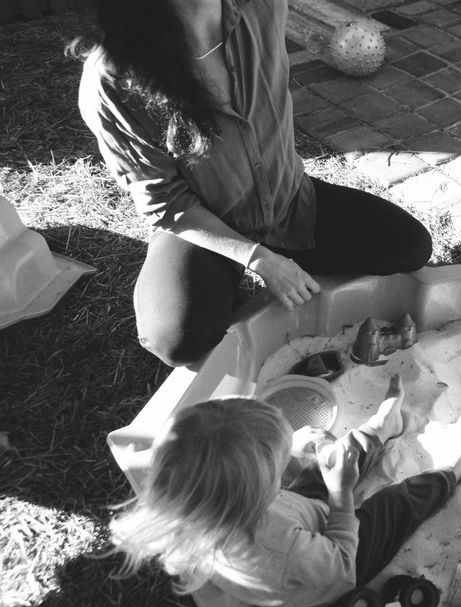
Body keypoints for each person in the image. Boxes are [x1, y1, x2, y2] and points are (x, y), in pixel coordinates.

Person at [72, 0, 431, 367]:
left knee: (410, 247)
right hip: (204, 224)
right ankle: (239, 269)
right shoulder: (113, 78)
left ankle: (287, 252)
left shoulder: (262, 8)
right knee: (176, 339)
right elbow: (166, 202)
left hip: (289, 200)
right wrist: (258, 258)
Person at [109, 375, 461, 607]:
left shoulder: (196, 503)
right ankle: (453, 472)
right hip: (334, 565)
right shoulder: (278, 549)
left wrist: (293, 457)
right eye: (276, 463)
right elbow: (340, 565)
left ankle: (382, 429)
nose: (283, 460)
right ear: (257, 492)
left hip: (295, 513)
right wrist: (340, 497)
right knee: (395, 503)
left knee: (332, 461)